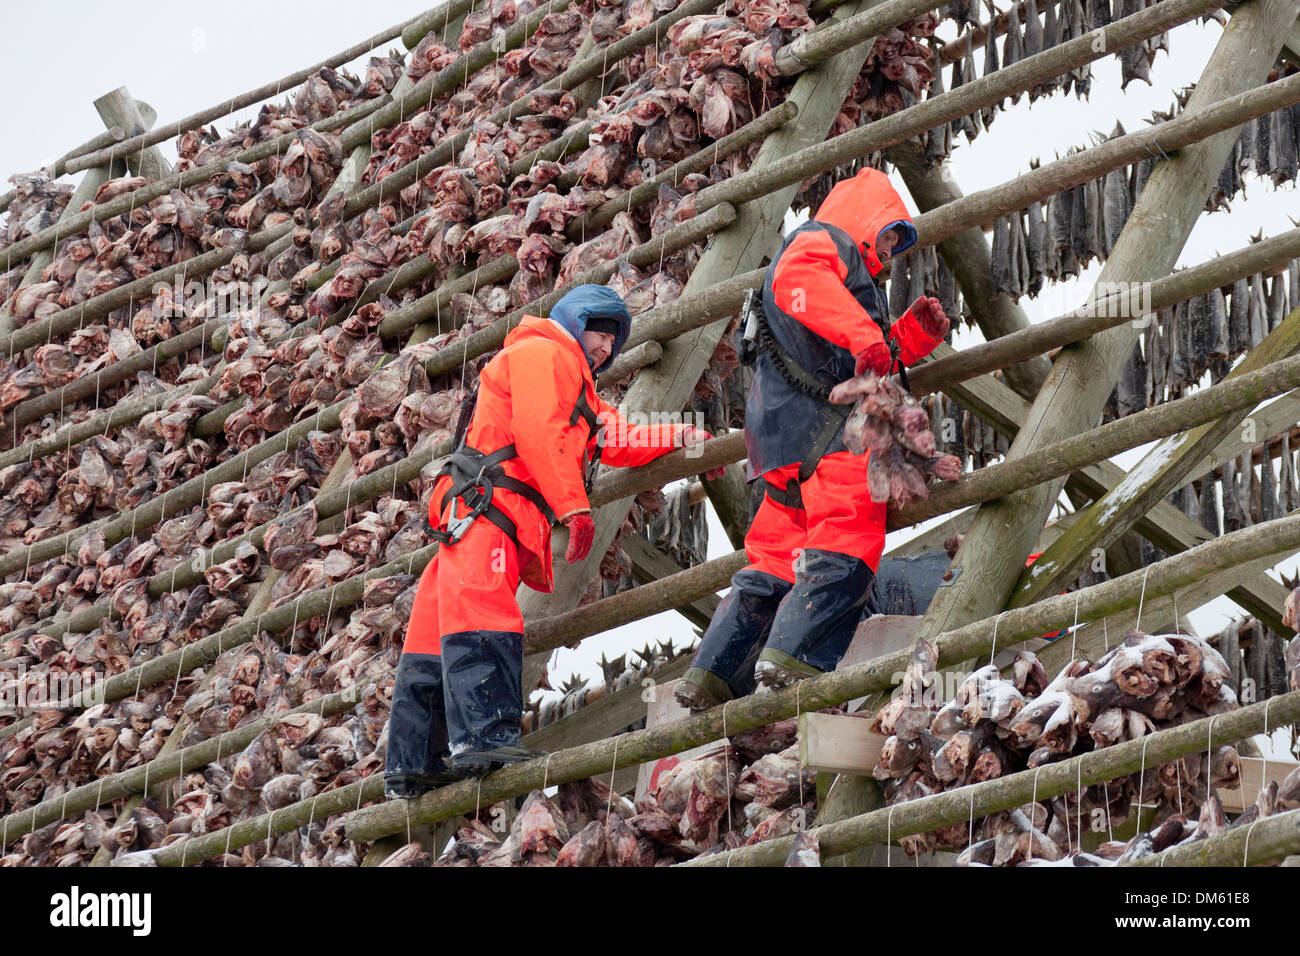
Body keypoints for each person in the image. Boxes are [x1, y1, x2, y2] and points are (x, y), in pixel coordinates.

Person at [385, 284, 720, 797]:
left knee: (432, 635)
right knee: (486, 616)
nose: (606, 347)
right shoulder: (544, 352)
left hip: (470, 513)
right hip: (488, 510)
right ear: (574, 320)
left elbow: (618, 438)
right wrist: (574, 509)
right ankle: (484, 739)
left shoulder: (577, 391)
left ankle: (414, 763)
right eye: (599, 332)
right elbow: (541, 432)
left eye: (613, 341)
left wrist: (679, 437)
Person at [676, 167, 950, 711]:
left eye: (898, 240)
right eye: (889, 231)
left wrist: (909, 338)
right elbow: (802, 288)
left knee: (774, 559)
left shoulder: (840, 270)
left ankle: (715, 673)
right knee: (847, 543)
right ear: (865, 216)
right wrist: (867, 333)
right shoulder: (822, 241)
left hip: (780, 445)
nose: (891, 247)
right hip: (829, 442)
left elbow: (841, 359)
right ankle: (791, 659)